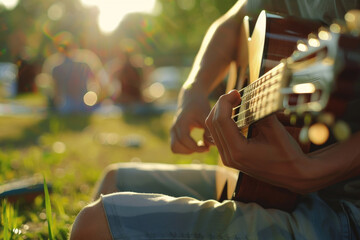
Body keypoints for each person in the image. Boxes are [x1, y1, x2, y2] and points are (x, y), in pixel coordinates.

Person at [70, 0, 360, 239]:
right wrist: (193, 91)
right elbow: (233, 21)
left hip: (345, 212)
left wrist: (312, 171)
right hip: (267, 185)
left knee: (94, 226)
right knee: (114, 180)